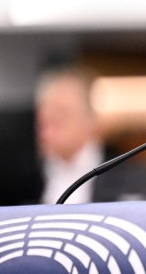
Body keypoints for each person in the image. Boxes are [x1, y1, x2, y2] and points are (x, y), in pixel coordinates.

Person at [35, 66, 104, 204]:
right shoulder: (23, 179)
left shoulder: (127, 173)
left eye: (62, 114)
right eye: (44, 120)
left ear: (91, 120)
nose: (48, 130)